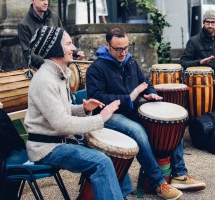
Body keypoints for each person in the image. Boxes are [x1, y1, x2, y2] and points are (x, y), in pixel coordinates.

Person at [86, 27, 207, 200]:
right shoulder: (96, 68)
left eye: (126, 47)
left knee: (172, 122)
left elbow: (145, 82)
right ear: (107, 45)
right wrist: (129, 97)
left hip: (131, 110)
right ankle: (158, 182)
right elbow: (97, 98)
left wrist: (149, 93)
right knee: (138, 131)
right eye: (118, 49)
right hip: (109, 115)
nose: (123, 53)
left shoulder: (130, 61)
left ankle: (179, 174)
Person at [24, 26, 133, 200]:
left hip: (60, 141)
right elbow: (61, 123)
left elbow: (62, 112)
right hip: (47, 148)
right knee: (101, 162)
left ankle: (121, 194)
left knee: (110, 153)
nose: (73, 48)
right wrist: (100, 118)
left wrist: (84, 109)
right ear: (55, 49)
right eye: (68, 44)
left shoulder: (58, 74)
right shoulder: (44, 80)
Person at [18, 0, 84, 69]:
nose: (46, 2)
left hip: (60, 66)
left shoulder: (54, 17)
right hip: (39, 70)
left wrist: (76, 52)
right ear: (32, 1)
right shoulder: (24, 24)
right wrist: (47, 63)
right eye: (42, 0)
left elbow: (64, 40)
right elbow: (27, 53)